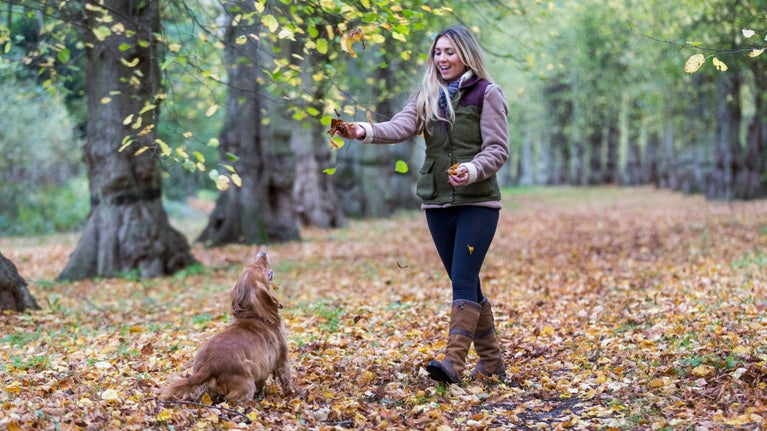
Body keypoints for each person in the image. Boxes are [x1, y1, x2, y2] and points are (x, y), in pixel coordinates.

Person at [337, 25, 509, 384]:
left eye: (449, 52)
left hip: (478, 203)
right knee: (467, 283)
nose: (442, 58)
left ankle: (453, 364)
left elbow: (497, 149)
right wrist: (363, 131)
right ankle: (492, 363)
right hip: (436, 203)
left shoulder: (487, 94)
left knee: (462, 280)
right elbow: (400, 126)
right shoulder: (427, 94)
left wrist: (473, 168)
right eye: (438, 52)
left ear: (465, 54)